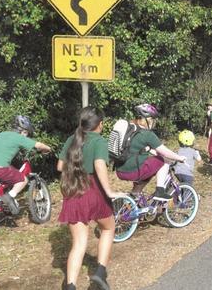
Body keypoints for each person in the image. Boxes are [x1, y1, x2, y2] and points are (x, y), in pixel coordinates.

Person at [57, 106, 124, 290]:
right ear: (100, 124)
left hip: (73, 192)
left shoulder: (72, 139)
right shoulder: (99, 141)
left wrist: (76, 170)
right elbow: (99, 164)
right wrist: (109, 191)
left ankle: (70, 285)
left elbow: (59, 166)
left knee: (79, 243)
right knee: (108, 228)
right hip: (94, 192)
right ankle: (100, 273)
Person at [0, 115, 51, 214]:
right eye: (27, 133)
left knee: (9, 175)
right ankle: (10, 196)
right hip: (0, 169)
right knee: (23, 180)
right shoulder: (19, 137)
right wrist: (48, 149)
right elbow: (38, 145)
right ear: (24, 131)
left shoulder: (0, 134)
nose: (26, 135)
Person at [114, 103, 186, 201]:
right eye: (153, 120)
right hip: (133, 172)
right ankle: (160, 191)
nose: (153, 123)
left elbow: (136, 149)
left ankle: (135, 197)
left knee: (150, 166)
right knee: (164, 160)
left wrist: (151, 151)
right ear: (148, 120)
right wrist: (180, 158)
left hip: (120, 171)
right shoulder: (147, 134)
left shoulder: (130, 129)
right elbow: (165, 152)